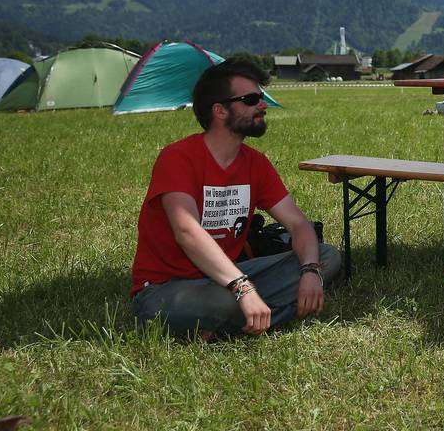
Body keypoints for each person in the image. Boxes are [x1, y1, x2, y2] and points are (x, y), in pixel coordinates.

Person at [130, 59, 341, 339]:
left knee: (327, 257)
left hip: (227, 278)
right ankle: (249, 317)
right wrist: (243, 287)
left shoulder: (256, 163)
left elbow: (298, 224)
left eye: (261, 97)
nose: (262, 105)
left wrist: (310, 271)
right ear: (220, 110)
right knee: (224, 302)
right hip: (167, 288)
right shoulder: (177, 157)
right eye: (251, 100)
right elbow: (187, 231)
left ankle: (222, 327)